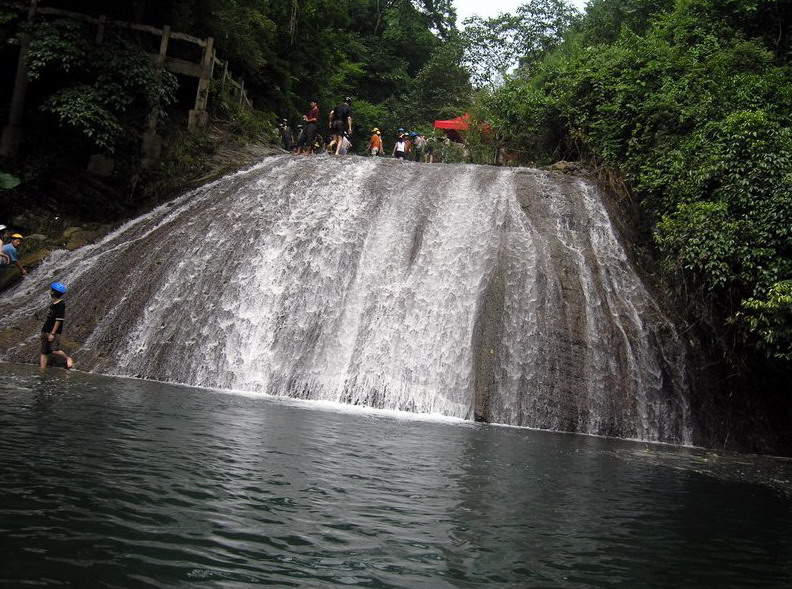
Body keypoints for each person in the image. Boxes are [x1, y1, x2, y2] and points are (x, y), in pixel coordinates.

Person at [40, 281, 74, 370]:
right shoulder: (53, 303)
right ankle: (42, 369)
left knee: (55, 350)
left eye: (52, 290)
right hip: (45, 329)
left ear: (53, 292)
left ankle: (67, 358)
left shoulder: (61, 304)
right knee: (44, 351)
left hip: (53, 331)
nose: (50, 292)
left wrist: (53, 333)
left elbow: (59, 320)